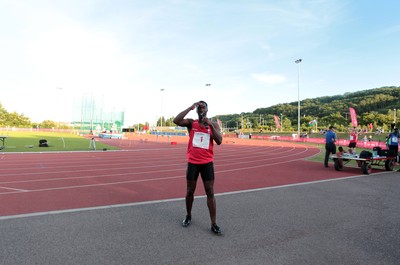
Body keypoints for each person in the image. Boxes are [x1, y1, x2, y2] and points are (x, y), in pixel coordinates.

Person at [173, 101, 223, 235]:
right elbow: (176, 120)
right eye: (199, 107)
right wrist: (190, 107)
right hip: (193, 163)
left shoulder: (214, 124)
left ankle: (214, 223)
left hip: (207, 163)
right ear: (197, 110)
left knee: (210, 192)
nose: (201, 109)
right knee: (190, 191)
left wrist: (211, 124)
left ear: (207, 110)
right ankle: (188, 215)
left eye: (203, 107)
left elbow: (219, 141)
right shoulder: (191, 123)